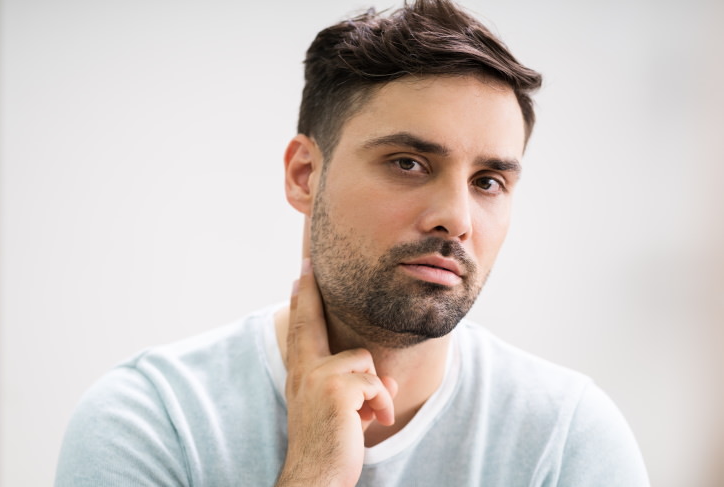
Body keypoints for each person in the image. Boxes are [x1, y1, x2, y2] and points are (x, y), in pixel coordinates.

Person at [55, 1, 650, 485]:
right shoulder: (154, 421)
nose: (456, 219)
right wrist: (313, 475)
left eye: (488, 182)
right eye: (409, 163)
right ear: (304, 175)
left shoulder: (567, 437)